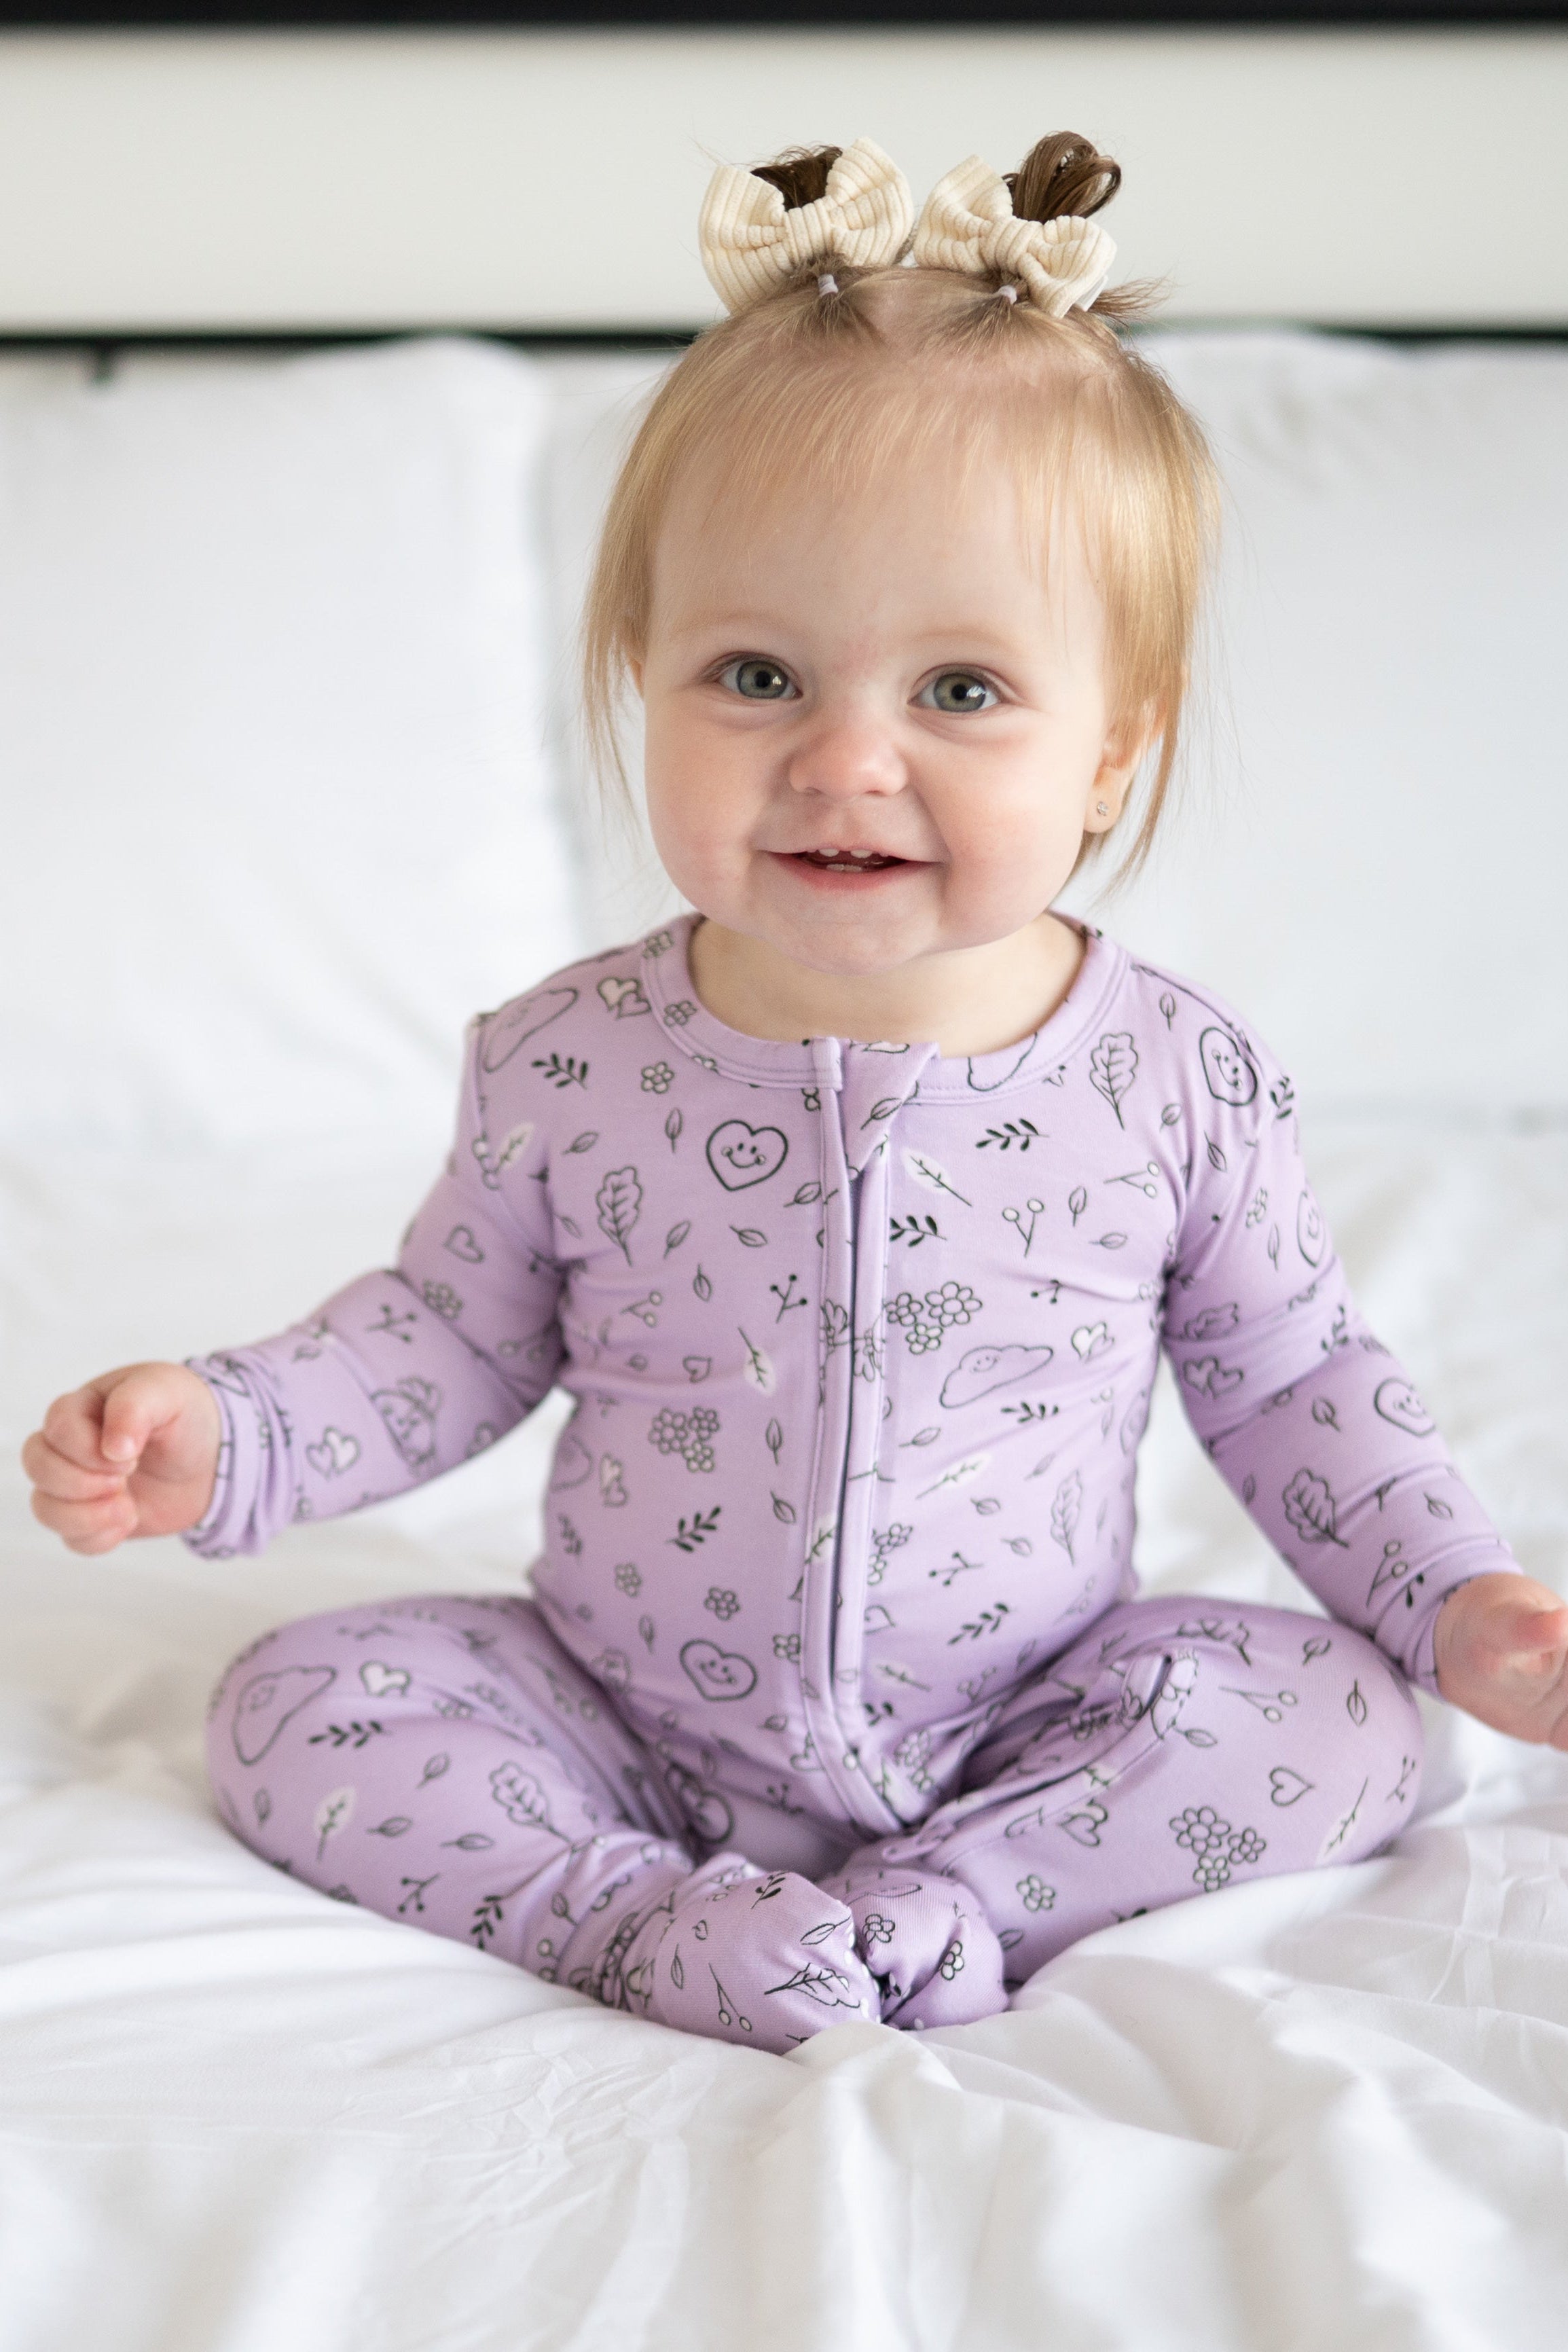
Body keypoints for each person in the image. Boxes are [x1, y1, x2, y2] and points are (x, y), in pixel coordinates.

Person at [22, 135, 1568, 2053]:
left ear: (1114, 749)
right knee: (292, 1704)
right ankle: (635, 1918)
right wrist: (237, 1431)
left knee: (1349, 1723)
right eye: (755, 675)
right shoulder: (568, 1061)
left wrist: (1452, 1595)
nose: (845, 762)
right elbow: (445, 1335)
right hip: (622, 1717)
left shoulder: (1178, 1079)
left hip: (1028, 1713)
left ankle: (952, 1904)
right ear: (641, 678)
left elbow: (1295, 1380)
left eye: (962, 692)